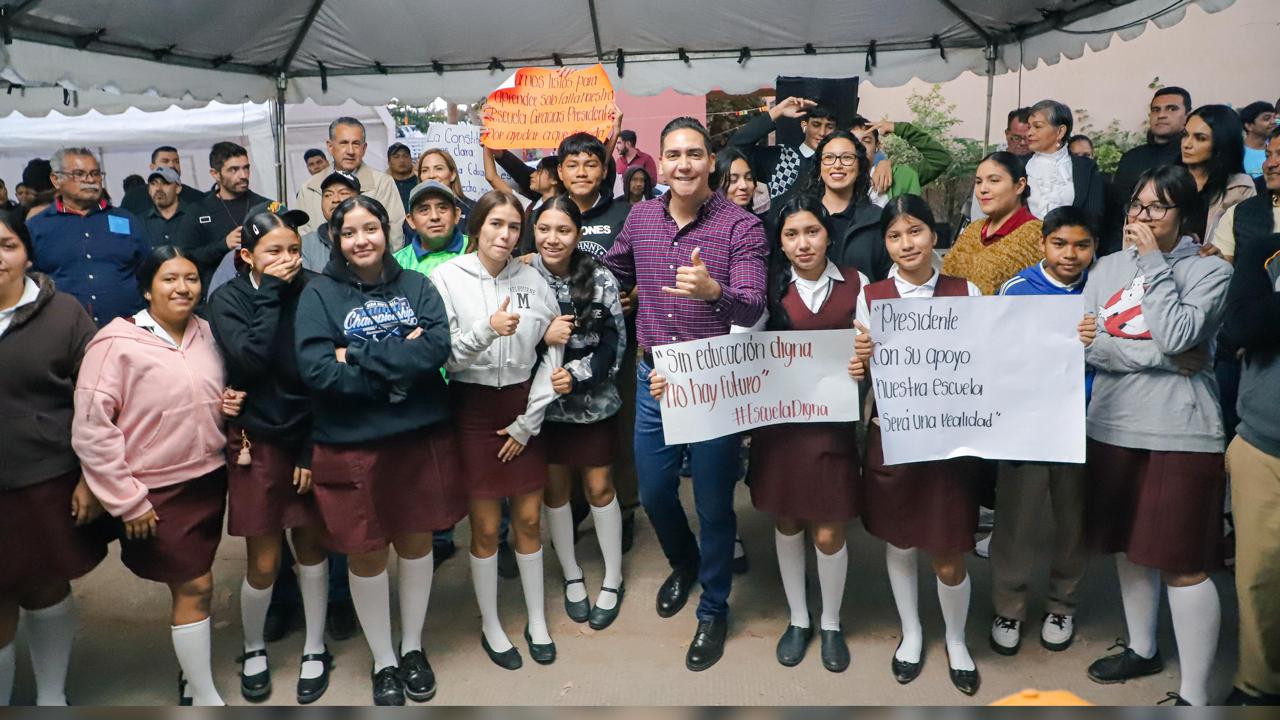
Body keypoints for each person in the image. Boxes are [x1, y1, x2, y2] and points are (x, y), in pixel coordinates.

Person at [604, 117, 768, 671]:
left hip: (714, 382)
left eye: (694, 153)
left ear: (710, 162)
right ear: (661, 162)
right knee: (654, 492)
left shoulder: (742, 226)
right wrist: (549, 264)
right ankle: (685, 562)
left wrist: (715, 291)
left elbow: (753, 304)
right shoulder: (641, 217)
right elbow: (613, 268)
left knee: (715, 505)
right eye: (673, 154)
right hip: (654, 378)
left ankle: (714, 608)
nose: (683, 164)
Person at [294, 195, 464, 705]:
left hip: (417, 436)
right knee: (367, 551)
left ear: (387, 230)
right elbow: (318, 370)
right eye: (349, 232)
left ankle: (411, 647)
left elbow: (435, 348)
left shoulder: (416, 284)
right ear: (335, 239)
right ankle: (383, 658)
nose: (361, 240)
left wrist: (356, 354)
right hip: (353, 443)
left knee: (416, 543)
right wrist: (397, 367)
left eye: (370, 228)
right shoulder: (318, 294)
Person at [1079, 165, 1232, 706]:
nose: (1141, 216)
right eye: (1136, 205)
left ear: (1184, 215)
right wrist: (1164, 360)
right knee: (1130, 548)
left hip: (1181, 431)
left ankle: (1194, 694)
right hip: (1112, 423)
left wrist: (1151, 263)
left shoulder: (1210, 271)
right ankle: (1142, 648)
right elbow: (1089, 345)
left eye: (1157, 207)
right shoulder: (1106, 268)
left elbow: (1177, 332)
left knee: (1183, 562)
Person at [72, 245, 243, 706]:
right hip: (154, 491)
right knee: (196, 585)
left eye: (191, 278)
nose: (183, 288)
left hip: (207, 481)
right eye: (169, 279)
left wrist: (228, 400)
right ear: (147, 289)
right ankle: (203, 693)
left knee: (196, 580)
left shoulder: (208, 332)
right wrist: (127, 500)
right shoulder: (116, 342)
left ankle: (193, 673)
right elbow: (92, 428)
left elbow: (213, 387)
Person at [855, 195, 985, 696]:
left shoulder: (966, 291)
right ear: (885, 244)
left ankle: (955, 639)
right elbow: (861, 373)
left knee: (949, 550)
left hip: (950, 444)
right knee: (901, 539)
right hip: (894, 436)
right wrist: (859, 361)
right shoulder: (872, 298)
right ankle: (911, 632)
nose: (906, 244)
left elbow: (987, 361)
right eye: (895, 235)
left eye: (915, 231)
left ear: (934, 235)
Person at [430, 191, 563, 670]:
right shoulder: (448, 277)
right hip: (472, 410)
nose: (504, 235)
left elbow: (554, 349)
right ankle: (491, 623)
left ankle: (536, 619)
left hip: (523, 407)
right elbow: (446, 357)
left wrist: (529, 421)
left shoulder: (532, 279)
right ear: (476, 226)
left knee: (528, 520)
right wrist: (487, 328)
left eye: (513, 227)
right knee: (485, 529)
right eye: (495, 224)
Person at [207, 206, 334, 704]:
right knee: (263, 558)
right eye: (274, 251)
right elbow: (251, 360)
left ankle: (316, 646)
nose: (288, 259)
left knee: (312, 546)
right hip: (254, 440)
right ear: (247, 256)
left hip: (308, 434)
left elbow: (323, 375)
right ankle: (254, 646)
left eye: (294, 249)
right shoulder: (229, 298)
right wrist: (272, 294)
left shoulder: (316, 289)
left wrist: (310, 448)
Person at [748, 195, 868, 672]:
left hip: (831, 430)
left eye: (812, 232)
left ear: (828, 234)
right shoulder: (767, 289)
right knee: (788, 521)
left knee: (829, 529)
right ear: (780, 243)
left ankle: (832, 623)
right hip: (780, 429)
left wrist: (865, 364)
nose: (803, 243)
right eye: (792, 234)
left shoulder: (858, 285)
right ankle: (798, 618)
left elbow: (880, 347)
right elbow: (738, 350)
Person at [0, 208, 107, 706]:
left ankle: (50, 697)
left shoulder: (64, 313)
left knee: (45, 586)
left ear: (27, 254)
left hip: (46, 476)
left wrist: (90, 478)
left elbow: (97, 400)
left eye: (7, 245)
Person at [988, 206, 1097, 657]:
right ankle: (1008, 608)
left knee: (1072, 520)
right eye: (1060, 244)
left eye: (1082, 245)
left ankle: (1061, 604)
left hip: (1080, 421)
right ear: (1042, 244)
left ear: (1094, 247)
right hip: (1027, 423)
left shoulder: (1100, 289)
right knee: (1016, 519)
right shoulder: (1017, 289)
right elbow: (996, 352)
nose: (1070, 254)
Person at [528, 195, 628, 630]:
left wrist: (577, 375)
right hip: (541, 408)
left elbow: (615, 343)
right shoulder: (521, 276)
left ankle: (613, 576)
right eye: (544, 229)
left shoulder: (601, 277)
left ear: (578, 234)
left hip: (592, 405)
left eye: (563, 230)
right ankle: (571, 573)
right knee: (555, 491)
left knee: (599, 487)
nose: (553, 239)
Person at [1219, 220, 1280, 705]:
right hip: (1264, 444)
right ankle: (1258, 688)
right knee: (1260, 579)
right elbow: (1240, 327)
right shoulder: (1265, 251)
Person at [28, 147, 152, 326]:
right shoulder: (37, 227)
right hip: (63, 330)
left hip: (126, 330)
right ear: (56, 179)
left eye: (95, 174)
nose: (90, 180)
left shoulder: (126, 220)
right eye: (79, 174)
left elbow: (148, 271)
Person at [730, 97, 889, 200]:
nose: (822, 132)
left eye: (829, 126)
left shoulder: (841, 163)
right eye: (816, 124)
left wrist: (886, 163)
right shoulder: (783, 156)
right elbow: (736, 147)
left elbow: (867, 164)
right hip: (779, 240)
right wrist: (777, 112)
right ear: (804, 125)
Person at [790, 129, 893, 281]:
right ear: (819, 166)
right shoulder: (797, 217)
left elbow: (889, 281)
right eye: (829, 157)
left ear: (859, 166)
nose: (837, 165)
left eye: (847, 158)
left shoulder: (878, 220)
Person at [1103, 87, 1193, 254]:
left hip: (1179, 251)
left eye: (1171, 109)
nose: (1161, 115)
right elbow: (1116, 211)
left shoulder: (1191, 158)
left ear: (1187, 115)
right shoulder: (1131, 158)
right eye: (1156, 110)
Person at [942, 151, 1043, 295]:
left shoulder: (1036, 234)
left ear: (1020, 185)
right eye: (978, 182)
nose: (983, 189)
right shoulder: (974, 229)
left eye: (994, 180)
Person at [296, 118, 405, 250]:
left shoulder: (382, 183)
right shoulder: (310, 188)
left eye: (356, 144)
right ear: (330, 147)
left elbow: (395, 234)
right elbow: (302, 237)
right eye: (343, 143)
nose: (350, 151)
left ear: (364, 148)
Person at [1179, 104, 1256, 240]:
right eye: (1185, 135)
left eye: (1200, 138)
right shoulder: (1167, 178)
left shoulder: (1239, 187)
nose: (1186, 144)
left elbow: (1247, 240)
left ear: (1222, 143)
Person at [1024, 100, 1106, 228]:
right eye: (1029, 127)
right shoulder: (1019, 166)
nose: (1029, 133)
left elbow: (1094, 214)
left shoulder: (1086, 168)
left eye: (1038, 126)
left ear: (1060, 131)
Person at [139, 167, 221, 291]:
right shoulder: (140, 221)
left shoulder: (197, 215)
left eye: (165, 183)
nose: (158, 188)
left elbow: (210, 253)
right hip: (158, 293)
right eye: (153, 184)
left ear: (178, 188)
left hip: (195, 290)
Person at [849, 115, 953, 206]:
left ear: (877, 145)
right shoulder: (840, 179)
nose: (859, 146)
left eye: (866, 141)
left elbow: (940, 159)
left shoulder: (899, 177)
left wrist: (899, 128)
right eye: (853, 141)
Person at [203, 141, 271, 270]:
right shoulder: (198, 208)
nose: (243, 175)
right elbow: (188, 255)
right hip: (216, 281)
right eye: (234, 170)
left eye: (246, 168)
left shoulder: (265, 206)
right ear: (215, 174)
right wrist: (223, 245)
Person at [394, 180, 468, 276]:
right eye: (424, 210)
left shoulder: (476, 250)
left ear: (456, 215)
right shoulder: (398, 263)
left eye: (442, 208)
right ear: (411, 220)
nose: (434, 216)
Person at [301, 171, 360, 272]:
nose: (335, 199)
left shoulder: (368, 240)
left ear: (359, 199)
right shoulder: (306, 244)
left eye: (343, 193)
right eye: (328, 195)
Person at [121, 146, 206, 216]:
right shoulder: (134, 197)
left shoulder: (197, 197)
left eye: (176, 161)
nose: (172, 165)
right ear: (152, 167)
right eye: (165, 161)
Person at [415, 148, 474, 229]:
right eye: (425, 170)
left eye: (438, 168)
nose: (431, 175)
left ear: (452, 175)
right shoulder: (414, 211)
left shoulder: (473, 210)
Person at [715, 147, 760, 216]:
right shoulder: (707, 220)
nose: (744, 186)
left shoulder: (757, 221)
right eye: (733, 180)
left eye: (749, 178)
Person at [1240, 101, 1276, 179]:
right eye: (1267, 119)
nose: (1273, 122)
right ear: (1249, 126)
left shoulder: (1276, 149)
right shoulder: (1237, 152)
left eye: (1274, 118)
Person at [387, 143, 417, 212]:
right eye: (396, 157)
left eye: (405, 156)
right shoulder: (383, 183)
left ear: (411, 159)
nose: (402, 160)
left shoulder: (420, 181)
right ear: (389, 162)